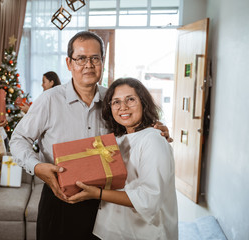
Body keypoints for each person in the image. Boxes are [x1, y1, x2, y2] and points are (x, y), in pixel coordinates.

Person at [9, 31, 171, 240]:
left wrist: (156, 128)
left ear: (102, 62)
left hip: (104, 202)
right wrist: (37, 167)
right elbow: (18, 139)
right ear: (69, 63)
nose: (88, 65)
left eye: (95, 58)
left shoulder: (112, 100)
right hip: (60, 197)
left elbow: (132, 131)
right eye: (81, 58)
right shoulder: (49, 100)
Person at [68, 78, 178, 240]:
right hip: (108, 229)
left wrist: (97, 194)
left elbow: (149, 200)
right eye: (116, 102)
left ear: (144, 103)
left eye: (130, 99)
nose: (123, 107)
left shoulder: (153, 140)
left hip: (142, 233)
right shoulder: (118, 139)